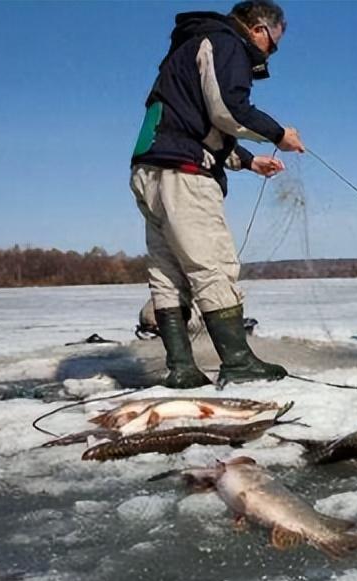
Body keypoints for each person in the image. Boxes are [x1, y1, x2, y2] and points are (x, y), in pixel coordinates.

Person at [130, 0, 304, 387]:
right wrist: (280, 135)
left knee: (168, 273)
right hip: (184, 175)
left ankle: (181, 368)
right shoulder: (226, 42)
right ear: (258, 29)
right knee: (213, 266)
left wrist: (247, 161)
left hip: (150, 170)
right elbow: (229, 109)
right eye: (272, 46)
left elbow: (193, 121)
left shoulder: (190, 45)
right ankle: (239, 362)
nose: (268, 54)